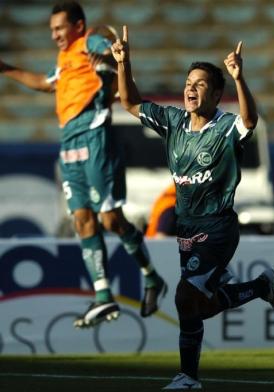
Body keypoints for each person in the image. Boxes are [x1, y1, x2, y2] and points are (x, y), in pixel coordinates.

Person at [112, 25, 274, 390]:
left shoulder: (225, 127)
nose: (191, 88)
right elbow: (129, 102)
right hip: (187, 229)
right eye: (188, 82)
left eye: (200, 84)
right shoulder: (173, 122)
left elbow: (250, 120)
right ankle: (259, 287)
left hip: (219, 226)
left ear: (217, 93)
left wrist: (240, 78)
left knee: (183, 296)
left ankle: (188, 378)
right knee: (199, 306)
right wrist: (123, 64)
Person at [0, 2, 167, 327]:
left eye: (59, 28)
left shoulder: (90, 40)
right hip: (69, 144)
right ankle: (103, 297)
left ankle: (151, 277)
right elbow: (43, 82)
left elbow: (109, 55)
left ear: (78, 25)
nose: (54, 35)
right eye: (51, 30)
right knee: (82, 220)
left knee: (111, 220)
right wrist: (5, 68)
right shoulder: (65, 60)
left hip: (94, 136)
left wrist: (108, 59)